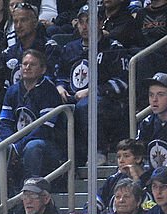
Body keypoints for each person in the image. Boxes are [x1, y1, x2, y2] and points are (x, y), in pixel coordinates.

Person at [55, 5, 129, 164]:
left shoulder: (113, 47)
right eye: (81, 22)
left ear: (101, 22)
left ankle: (98, 151)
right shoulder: (70, 48)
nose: (84, 26)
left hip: (108, 103)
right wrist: (60, 87)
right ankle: (66, 163)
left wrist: (92, 91)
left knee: (86, 106)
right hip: (75, 97)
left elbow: (122, 82)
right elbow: (60, 75)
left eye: (89, 21)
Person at [0, 49, 63, 182]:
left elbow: (44, 129)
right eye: (24, 64)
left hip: (48, 144)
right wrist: (10, 143)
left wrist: (17, 146)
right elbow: (4, 122)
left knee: (33, 146)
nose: (27, 67)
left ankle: (32, 190)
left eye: (32, 64)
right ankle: (6, 192)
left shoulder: (49, 91)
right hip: (18, 142)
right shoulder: (12, 90)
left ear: (43, 69)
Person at [136, 73, 167, 169]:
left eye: (160, 95)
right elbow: (138, 153)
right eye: (151, 95)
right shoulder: (146, 123)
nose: (154, 100)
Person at [96, 138, 151, 214]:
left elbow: (148, 204)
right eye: (119, 157)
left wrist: (135, 179)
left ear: (138, 158)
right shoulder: (113, 179)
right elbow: (97, 199)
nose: (121, 160)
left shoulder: (151, 180)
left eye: (126, 156)